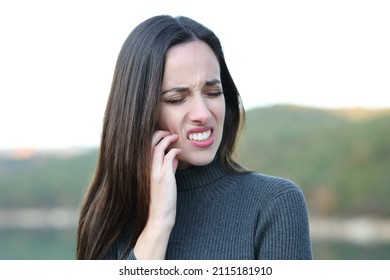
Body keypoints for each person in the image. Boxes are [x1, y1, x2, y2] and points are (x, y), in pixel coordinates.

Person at [76, 15, 313, 260]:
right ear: (140, 112)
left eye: (213, 92)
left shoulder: (275, 204)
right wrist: (158, 225)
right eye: (177, 99)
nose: (203, 113)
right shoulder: (108, 216)